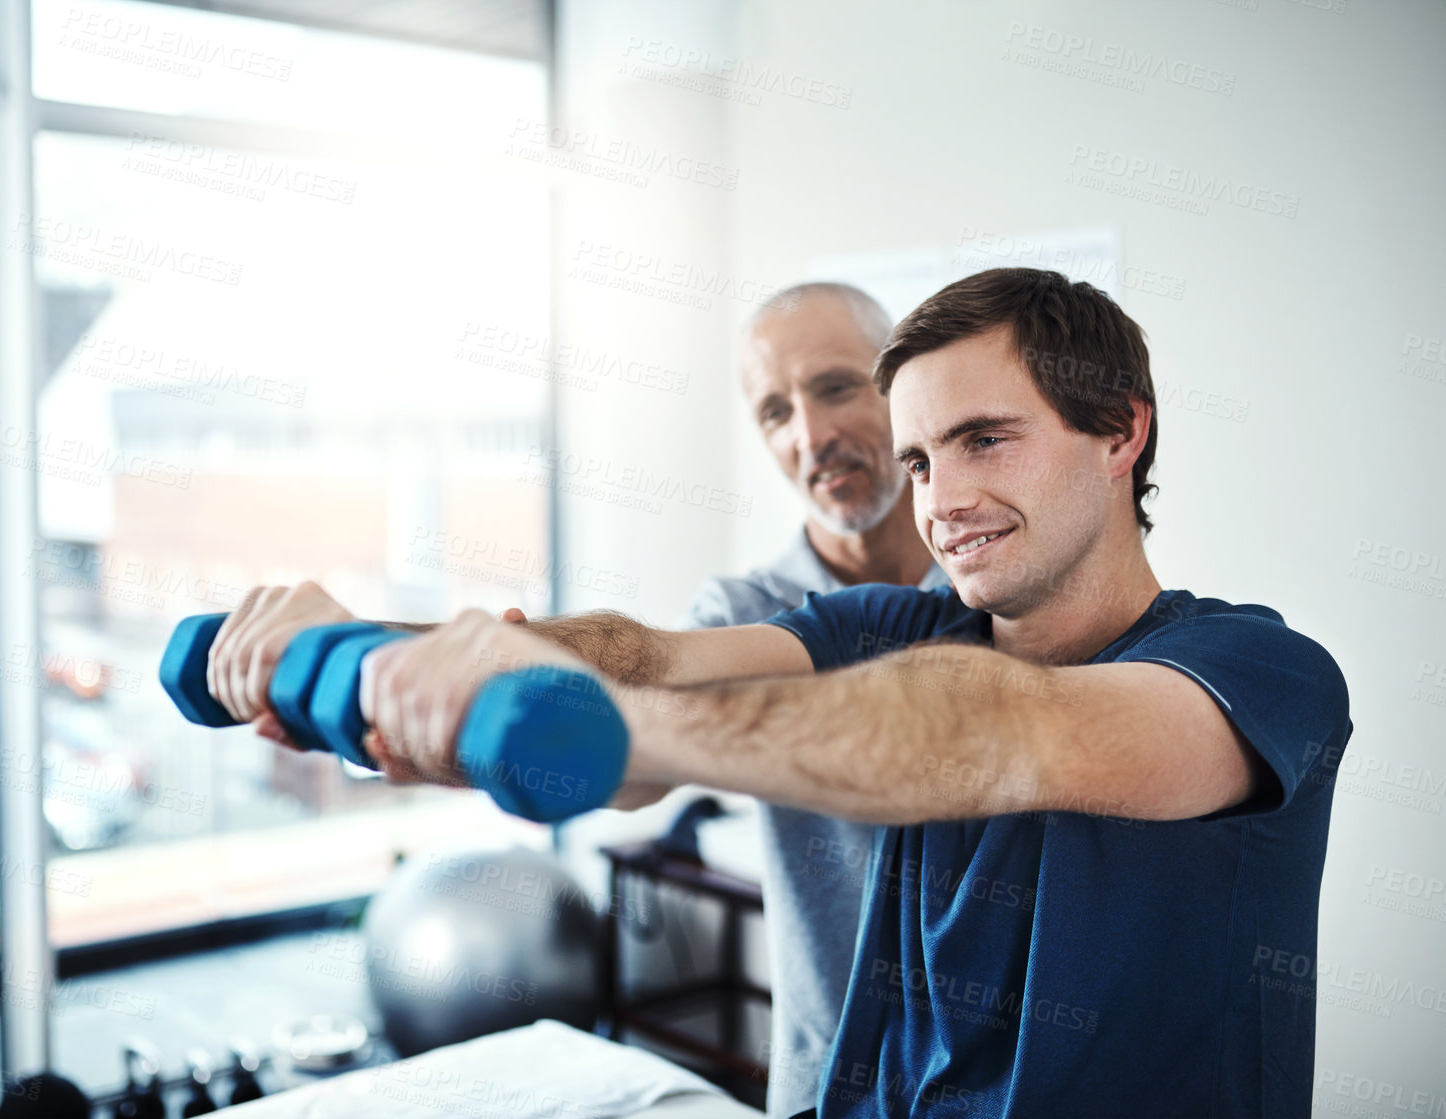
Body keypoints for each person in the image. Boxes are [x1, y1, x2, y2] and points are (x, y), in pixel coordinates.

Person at [207, 268, 1351, 1117]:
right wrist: (366, 645)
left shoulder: (1259, 671)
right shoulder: (893, 620)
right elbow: (646, 653)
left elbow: (997, 731)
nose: (939, 499)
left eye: (985, 441)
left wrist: (604, 727)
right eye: (919, 461)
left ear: (1119, 433)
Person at [669, 281, 939, 1118]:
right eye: (775, 412)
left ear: (901, 386)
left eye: (835, 387)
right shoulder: (739, 615)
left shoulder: (1001, 593)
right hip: (825, 1085)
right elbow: (629, 763)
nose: (812, 436)